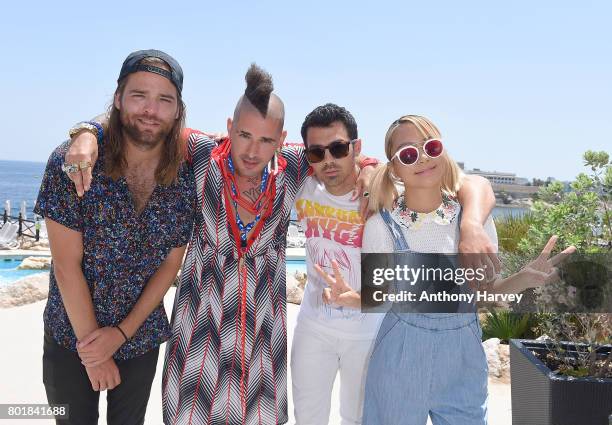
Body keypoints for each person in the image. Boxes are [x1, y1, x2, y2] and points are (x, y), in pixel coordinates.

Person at [65, 68, 496, 424]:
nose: (254, 151)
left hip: (263, 336)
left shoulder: (293, 167)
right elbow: (144, 123)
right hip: (200, 328)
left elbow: (448, 177)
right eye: (245, 136)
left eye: (267, 140)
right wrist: (86, 131)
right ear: (230, 128)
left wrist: (371, 169)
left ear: (281, 140)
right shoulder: (199, 154)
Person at [347, 114, 575, 425]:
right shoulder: (380, 228)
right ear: (396, 168)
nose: (424, 157)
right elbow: (378, 299)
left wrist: (523, 279)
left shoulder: (475, 223)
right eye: (409, 153)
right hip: (399, 356)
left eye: (431, 146)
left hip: (463, 358)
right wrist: (355, 297)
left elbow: (483, 294)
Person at [292, 104, 500, 424]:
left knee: (357, 417)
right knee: (308, 417)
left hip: (372, 335)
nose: (329, 159)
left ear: (356, 148)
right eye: (317, 153)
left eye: (338, 148)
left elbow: (475, 184)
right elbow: (260, 151)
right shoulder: (303, 186)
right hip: (315, 327)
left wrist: (471, 224)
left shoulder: (398, 189)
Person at [35, 49, 196, 424]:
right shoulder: (72, 162)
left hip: (139, 337)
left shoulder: (185, 175)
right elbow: (65, 265)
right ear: (119, 99)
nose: (150, 110)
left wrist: (120, 335)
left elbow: (172, 263)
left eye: (164, 100)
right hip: (69, 336)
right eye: (139, 95)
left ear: (177, 111)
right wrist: (96, 350)